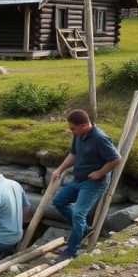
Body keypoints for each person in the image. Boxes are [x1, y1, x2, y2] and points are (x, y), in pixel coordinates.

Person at [50, 109, 122, 261]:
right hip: (78, 179)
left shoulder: (100, 138)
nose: (72, 132)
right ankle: (82, 229)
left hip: (94, 183)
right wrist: (59, 169)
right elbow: (73, 154)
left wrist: (100, 173)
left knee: (78, 213)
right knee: (59, 201)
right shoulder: (79, 135)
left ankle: (72, 251)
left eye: (73, 128)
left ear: (83, 125)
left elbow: (116, 159)